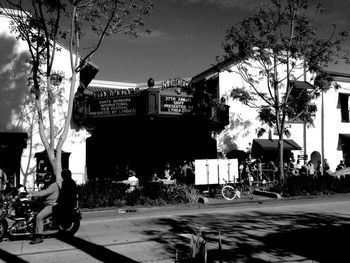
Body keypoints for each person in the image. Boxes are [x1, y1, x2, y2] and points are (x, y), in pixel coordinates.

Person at [29, 172, 59, 244]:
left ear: (51, 179)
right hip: (45, 204)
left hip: (50, 205)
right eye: (45, 178)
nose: (45, 180)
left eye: (47, 178)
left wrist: (32, 193)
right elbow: (42, 192)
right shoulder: (50, 185)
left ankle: (39, 237)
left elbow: (44, 192)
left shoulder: (53, 186)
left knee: (39, 217)